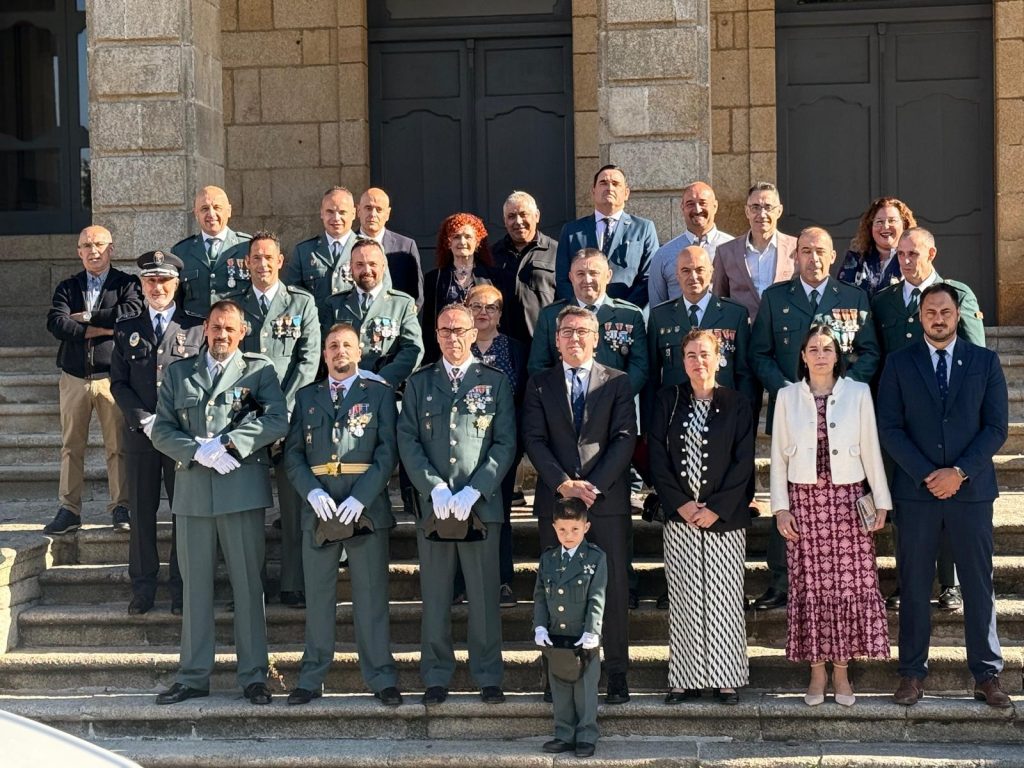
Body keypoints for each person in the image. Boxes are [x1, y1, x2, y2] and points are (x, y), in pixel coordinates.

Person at [878, 283, 1011, 709]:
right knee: (915, 584)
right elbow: (890, 428)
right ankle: (912, 674)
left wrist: (958, 472)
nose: (938, 318)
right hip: (916, 495)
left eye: (945, 311)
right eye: (930, 311)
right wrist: (926, 474)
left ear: (959, 315)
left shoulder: (984, 362)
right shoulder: (899, 364)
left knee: (977, 584)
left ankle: (987, 674)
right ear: (920, 317)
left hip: (970, 493)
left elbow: (995, 428)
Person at [151, 299, 289, 706]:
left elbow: (276, 419)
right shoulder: (179, 373)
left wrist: (229, 442)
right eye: (215, 328)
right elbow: (161, 429)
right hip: (193, 495)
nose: (222, 335)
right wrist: (196, 450)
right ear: (205, 330)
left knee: (248, 586)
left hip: (240, 490)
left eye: (230, 328)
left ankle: (253, 676)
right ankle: (193, 675)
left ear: (242, 332)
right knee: (195, 589)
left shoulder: (259, 371)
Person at [749, 226, 880, 611]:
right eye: (805, 250)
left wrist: (842, 391)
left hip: (842, 418)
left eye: (820, 250)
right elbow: (759, 355)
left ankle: (837, 581)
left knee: (840, 496)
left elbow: (871, 352)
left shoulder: (854, 299)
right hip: (793, 415)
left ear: (833, 255)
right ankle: (781, 581)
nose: (813, 257)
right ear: (795, 256)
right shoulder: (775, 299)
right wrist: (790, 393)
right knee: (787, 491)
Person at [397, 303, 517, 705]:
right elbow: (408, 440)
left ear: (472, 334)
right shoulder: (419, 383)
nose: (453, 338)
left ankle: (488, 675)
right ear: (436, 333)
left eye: (460, 330)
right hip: (435, 508)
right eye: (446, 330)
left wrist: (476, 489)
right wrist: (433, 488)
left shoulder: (494, 382)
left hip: (481, 508)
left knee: (483, 598)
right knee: (435, 597)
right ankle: (435, 675)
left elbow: (505, 443)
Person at [770, 325, 891, 707]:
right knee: (812, 588)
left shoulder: (857, 392)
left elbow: (871, 447)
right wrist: (780, 507)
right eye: (813, 349)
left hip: (847, 502)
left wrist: (882, 500)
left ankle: (842, 671)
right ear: (802, 356)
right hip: (804, 503)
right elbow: (777, 457)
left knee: (847, 587)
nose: (820, 355)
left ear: (838, 355)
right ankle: (816, 670)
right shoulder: (787, 397)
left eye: (827, 349)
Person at [282, 323, 402, 707]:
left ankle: (382, 677)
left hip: (365, 511)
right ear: (324, 354)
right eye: (332, 346)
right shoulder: (306, 397)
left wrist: (362, 497)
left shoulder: (380, 395)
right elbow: (294, 454)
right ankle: (312, 677)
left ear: (360, 351)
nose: (339, 352)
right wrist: (311, 490)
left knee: (371, 598)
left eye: (347, 345)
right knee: (318, 598)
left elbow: (387, 453)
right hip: (319, 509)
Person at [522, 305, 636, 705]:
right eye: (567, 331)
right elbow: (533, 439)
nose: (575, 338)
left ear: (596, 337)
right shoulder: (539, 384)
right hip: (556, 501)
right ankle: (558, 673)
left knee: (614, 588)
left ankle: (617, 673)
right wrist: (564, 484)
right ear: (556, 340)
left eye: (583, 331)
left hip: (605, 501)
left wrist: (592, 486)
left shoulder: (618, 382)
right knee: (556, 588)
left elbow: (625, 438)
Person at [872, 227, 986, 611]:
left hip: (953, 419)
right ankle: (909, 583)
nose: (906, 261)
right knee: (909, 508)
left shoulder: (959, 293)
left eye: (913, 254)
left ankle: (949, 584)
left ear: (932, 253)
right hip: (905, 422)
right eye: (901, 254)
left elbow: (976, 355)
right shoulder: (885, 301)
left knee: (951, 501)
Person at [648, 329, 755, 705]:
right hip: (681, 517)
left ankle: (726, 678)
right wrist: (681, 504)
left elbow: (744, 463)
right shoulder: (668, 400)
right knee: (686, 597)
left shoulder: (738, 403)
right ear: (682, 361)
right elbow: (657, 459)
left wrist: (716, 508)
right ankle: (685, 677)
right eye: (691, 355)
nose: (698, 362)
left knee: (724, 599)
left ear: (718, 357)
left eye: (705, 354)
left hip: (724, 518)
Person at [110, 251, 204, 616]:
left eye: (164, 281)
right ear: (141, 285)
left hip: (181, 438)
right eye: (150, 281)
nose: (157, 287)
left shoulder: (195, 327)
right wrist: (144, 420)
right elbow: (118, 382)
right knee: (142, 513)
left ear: (176, 284)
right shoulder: (126, 328)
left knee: (183, 513)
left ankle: (181, 588)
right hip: (141, 436)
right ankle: (144, 587)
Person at [234, 231, 321, 607]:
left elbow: (308, 361)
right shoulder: (233, 305)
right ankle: (249, 586)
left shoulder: (301, 303)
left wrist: (281, 411)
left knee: (291, 505)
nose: (263, 264)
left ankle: (292, 582)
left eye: (270, 258)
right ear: (247, 263)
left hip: (290, 418)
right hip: (245, 422)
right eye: (256, 258)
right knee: (246, 509)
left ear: (281, 261)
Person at [44, 225, 142, 535]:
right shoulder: (68, 286)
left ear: (111, 248)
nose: (93, 250)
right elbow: (56, 323)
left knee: (118, 446)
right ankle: (69, 510)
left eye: (99, 244)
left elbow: (129, 313)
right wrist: (103, 326)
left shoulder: (127, 283)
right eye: (86, 245)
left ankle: (121, 506)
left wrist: (85, 317)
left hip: (112, 377)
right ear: (79, 252)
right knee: (71, 447)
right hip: (74, 377)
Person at [451, 284, 527, 606]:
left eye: (491, 307)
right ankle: (460, 583)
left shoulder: (516, 349)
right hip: (460, 449)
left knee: (500, 514)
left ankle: (502, 581)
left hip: (501, 447)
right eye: (477, 306)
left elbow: (523, 397)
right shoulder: (455, 346)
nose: (484, 313)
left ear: (500, 313)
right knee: (458, 513)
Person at [533, 499, 608, 759]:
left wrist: (592, 631)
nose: (568, 535)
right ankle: (564, 733)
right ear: (554, 527)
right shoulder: (549, 558)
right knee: (561, 688)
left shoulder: (595, 558)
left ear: (586, 527)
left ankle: (587, 735)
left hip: (583, 636)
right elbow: (541, 596)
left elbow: (596, 598)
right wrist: (540, 626)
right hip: (556, 637)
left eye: (575, 529)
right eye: (562, 529)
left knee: (585, 689)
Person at [529, 248, 648, 397]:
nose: (587, 280)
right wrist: (566, 398)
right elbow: (538, 366)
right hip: (564, 408)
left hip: (615, 408)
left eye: (594, 273)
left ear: (608, 276)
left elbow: (639, 366)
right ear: (571, 277)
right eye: (580, 274)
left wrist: (616, 398)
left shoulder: (629, 315)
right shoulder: (550, 316)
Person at [320, 238, 424, 384]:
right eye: (360, 265)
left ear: (383, 266)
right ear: (351, 267)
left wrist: (383, 378)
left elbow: (413, 348)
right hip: (345, 387)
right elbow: (325, 348)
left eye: (372, 264)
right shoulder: (334, 304)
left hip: (388, 389)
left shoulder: (402, 304)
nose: (366, 270)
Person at [555, 165, 659, 308]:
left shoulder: (643, 228)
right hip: (582, 318)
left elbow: (649, 278)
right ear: (593, 191)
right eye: (603, 183)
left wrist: (624, 311)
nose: (609, 188)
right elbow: (562, 278)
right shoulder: (572, 231)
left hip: (628, 317)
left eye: (615, 184)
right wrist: (582, 310)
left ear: (626, 193)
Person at [421, 212, 514, 363]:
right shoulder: (434, 279)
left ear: (478, 242)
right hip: (448, 353)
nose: (462, 242)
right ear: (447, 242)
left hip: (487, 353)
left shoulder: (496, 277)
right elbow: (429, 325)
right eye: (456, 237)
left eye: (468, 237)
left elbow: (506, 320)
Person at [285, 186, 391, 306]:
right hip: (317, 324)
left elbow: (384, 295)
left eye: (342, 212)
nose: (336, 218)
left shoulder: (372, 249)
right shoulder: (303, 251)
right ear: (322, 213)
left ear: (353, 213)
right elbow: (293, 297)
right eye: (330, 212)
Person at [711, 181, 797, 321]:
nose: (762, 214)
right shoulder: (726, 252)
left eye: (768, 207)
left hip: (784, 332)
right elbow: (719, 300)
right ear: (747, 212)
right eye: (755, 207)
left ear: (779, 211)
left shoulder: (796, 248)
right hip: (743, 334)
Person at [648, 182, 734, 306]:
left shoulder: (733, 249)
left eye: (703, 203)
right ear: (682, 207)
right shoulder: (663, 255)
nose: (697, 209)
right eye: (690, 204)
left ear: (715, 206)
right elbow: (657, 309)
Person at [171, 186, 252, 316]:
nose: (211, 214)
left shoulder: (247, 246)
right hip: (195, 331)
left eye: (217, 208)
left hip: (234, 332)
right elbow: (175, 300)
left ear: (229, 211)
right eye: (204, 209)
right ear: (196, 214)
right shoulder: (181, 252)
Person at [490, 190, 558, 341]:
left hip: (543, 342)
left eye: (523, 214)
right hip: (503, 344)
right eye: (511, 216)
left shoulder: (556, 252)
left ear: (537, 216)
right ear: (504, 220)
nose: (518, 221)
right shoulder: (493, 254)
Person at [356, 187, 424, 305]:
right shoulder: (348, 245)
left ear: (387, 214)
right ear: (358, 211)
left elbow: (416, 296)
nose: (373, 214)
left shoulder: (406, 247)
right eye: (368, 208)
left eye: (379, 209)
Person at [837, 197, 916, 297]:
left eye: (892, 220)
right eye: (879, 222)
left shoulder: (914, 258)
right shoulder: (855, 260)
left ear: (904, 225)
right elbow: (842, 297)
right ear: (870, 226)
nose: (886, 226)